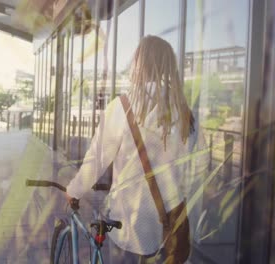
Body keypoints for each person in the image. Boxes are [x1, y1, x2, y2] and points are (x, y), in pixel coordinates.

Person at [66, 35, 208, 263]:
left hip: (130, 225)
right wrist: (176, 187)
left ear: (140, 65)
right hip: (170, 225)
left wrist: (74, 190)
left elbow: (97, 160)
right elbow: (201, 164)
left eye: (135, 59)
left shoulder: (123, 107)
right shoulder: (185, 114)